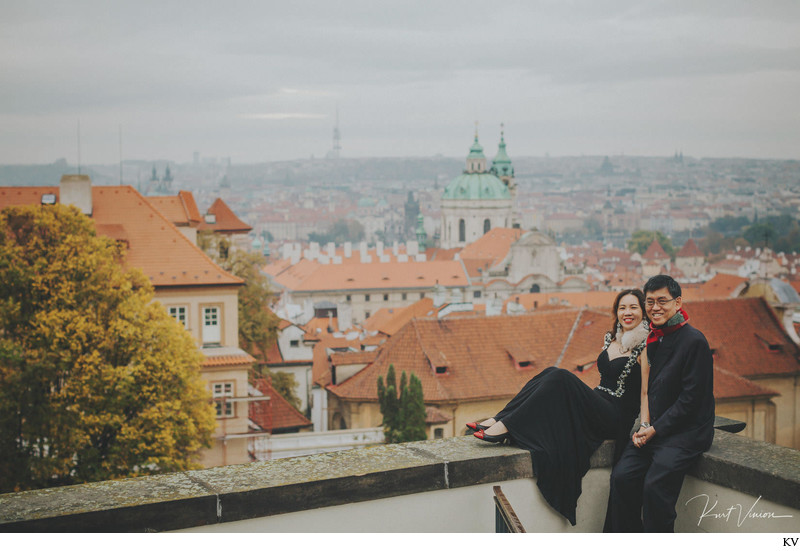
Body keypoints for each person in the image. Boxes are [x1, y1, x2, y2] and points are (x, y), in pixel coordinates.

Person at [469, 289, 650, 526]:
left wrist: (645, 424)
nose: (627, 312)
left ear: (643, 312)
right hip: (598, 404)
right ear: (616, 312)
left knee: (561, 377)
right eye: (622, 307)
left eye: (633, 307)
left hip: (615, 416)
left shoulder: (645, 347)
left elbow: (646, 391)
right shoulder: (613, 338)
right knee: (552, 372)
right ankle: (500, 419)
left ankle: (506, 426)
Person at [604, 275, 714, 532]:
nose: (655, 307)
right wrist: (645, 424)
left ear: (678, 303)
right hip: (654, 429)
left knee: (655, 488)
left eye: (662, 301)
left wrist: (654, 429)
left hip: (686, 433)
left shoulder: (694, 341)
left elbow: (691, 401)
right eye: (650, 302)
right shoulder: (654, 339)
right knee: (621, 478)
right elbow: (648, 392)